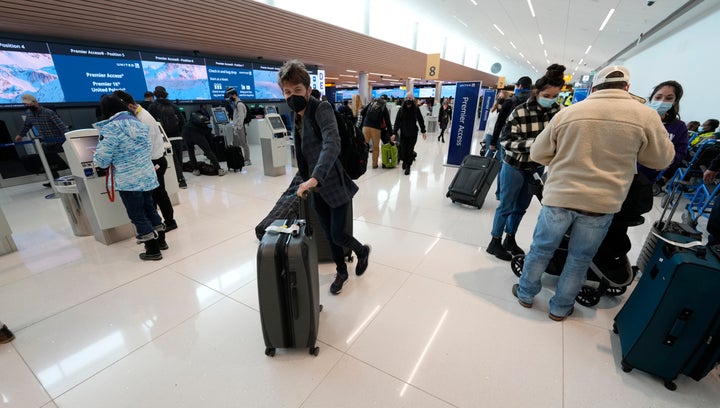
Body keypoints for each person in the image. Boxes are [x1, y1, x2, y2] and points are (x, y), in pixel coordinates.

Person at [514, 65, 674, 321]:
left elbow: (538, 153)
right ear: (627, 88)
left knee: (541, 249)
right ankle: (560, 308)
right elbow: (660, 159)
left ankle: (525, 293)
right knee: (580, 259)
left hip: (560, 196)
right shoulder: (645, 116)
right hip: (602, 203)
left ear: (593, 88)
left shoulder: (568, 113)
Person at [277, 59, 371, 295]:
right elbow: (305, 153)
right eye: (287, 92)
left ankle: (361, 251)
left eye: (297, 90)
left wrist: (315, 177)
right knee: (328, 234)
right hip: (314, 186)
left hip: (332, 182)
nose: (292, 96)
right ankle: (341, 271)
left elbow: (332, 142)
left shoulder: (321, 109)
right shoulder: (296, 116)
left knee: (338, 233)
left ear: (308, 90)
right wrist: (305, 180)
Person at [486, 65, 566, 261]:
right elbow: (506, 141)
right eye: (547, 95)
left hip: (536, 167)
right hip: (514, 165)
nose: (551, 99)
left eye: (555, 96)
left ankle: (510, 238)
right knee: (506, 205)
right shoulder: (519, 112)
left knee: (521, 206)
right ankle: (495, 241)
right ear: (537, 92)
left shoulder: (559, 112)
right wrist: (536, 145)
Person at [94, 94, 168, 261]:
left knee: (138, 215)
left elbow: (102, 160)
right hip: (147, 176)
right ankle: (162, 241)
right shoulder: (139, 124)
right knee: (150, 208)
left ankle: (152, 250)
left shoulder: (110, 129)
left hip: (129, 181)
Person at [113, 90, 179, 231]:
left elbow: (144, 145)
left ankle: (163, 224)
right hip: (156, 160)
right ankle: (166, 222)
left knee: (156, 196)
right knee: (159, 195)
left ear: (129, 106)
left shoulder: (142, 119)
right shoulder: (142, 114)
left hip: (154, 161)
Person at [637, 81, 688, 187]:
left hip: (647, 178)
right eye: (658, 97)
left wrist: (668, 162)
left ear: (675, 102)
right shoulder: (637, 118)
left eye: (669, 98)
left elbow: (680, 152)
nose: (662, 101)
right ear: (651, 98)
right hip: (623, 172)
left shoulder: (679, 127)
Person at [14, 94, 70, 187]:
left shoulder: (48, 112)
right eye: (26, 105)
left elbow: (61, 126)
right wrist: (20, 135)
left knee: (66, 160)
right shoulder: (29, 114)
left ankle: (76, 177)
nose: (28, 106)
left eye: (29, 104)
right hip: (46, 142)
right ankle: (54, 181)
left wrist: (68, 137)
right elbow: (27, 125)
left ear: (35, 102)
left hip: (59, 141)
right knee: (49, 163)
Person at [148, 86, 187, 188]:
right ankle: (181, 177)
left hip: (165, 139)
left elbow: (151, 124)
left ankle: (180, 180)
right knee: (179, 160)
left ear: (155, 94)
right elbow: (183, 121)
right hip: (178, 137)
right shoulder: (173, 106)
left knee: (173, 161)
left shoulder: (153, 107)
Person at [183, 109, 226, 176]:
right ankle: (219, 169)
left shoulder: (192, 118)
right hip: (196, 134)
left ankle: (196, 170)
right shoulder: (205, 119)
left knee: (191, 152)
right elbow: (209, 130)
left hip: (185, 133)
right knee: (208, 151)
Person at [392, 93, 427, 175]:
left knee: (410, 150)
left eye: (410, 98)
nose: (408, 99)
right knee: (403, 150)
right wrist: (394, 133)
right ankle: (404, 160)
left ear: (413, 99)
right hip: (403, 133)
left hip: (413, 133)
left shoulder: (416, 109)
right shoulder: (401, 109)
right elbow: (397, 122)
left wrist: (423, 131)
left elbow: (420, 120)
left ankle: (408, 166)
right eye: (407, 98)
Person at [360, 96, 392, 169]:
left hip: (366, 126)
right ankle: (374, 164)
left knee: (365, 146)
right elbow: (387, 121)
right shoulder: (383, 107)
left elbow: (362, 112)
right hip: (376, 128)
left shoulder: (371, 103)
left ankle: (362, 163)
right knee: (375, 147)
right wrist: (391, 133)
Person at [226, 88, 252, 166]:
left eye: (230, 96)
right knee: (236, 144)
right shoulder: (236, 104)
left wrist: (238, 127)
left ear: (234, 95)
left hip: (240, 128)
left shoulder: (240, 105)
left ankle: (247, 160)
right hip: (237, 127)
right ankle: (238, 159)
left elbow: (241, 117)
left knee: (244, 143)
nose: (229, 98)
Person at [483, 91, 509, 157]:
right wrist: (484, 136)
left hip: (500, 136)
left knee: (500, 155)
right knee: (488, 154)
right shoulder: (492, 109)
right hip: (490, 134)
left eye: (502, 97)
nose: (500, 98)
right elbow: (488, 123)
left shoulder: (507, 110)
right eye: (499, 97)